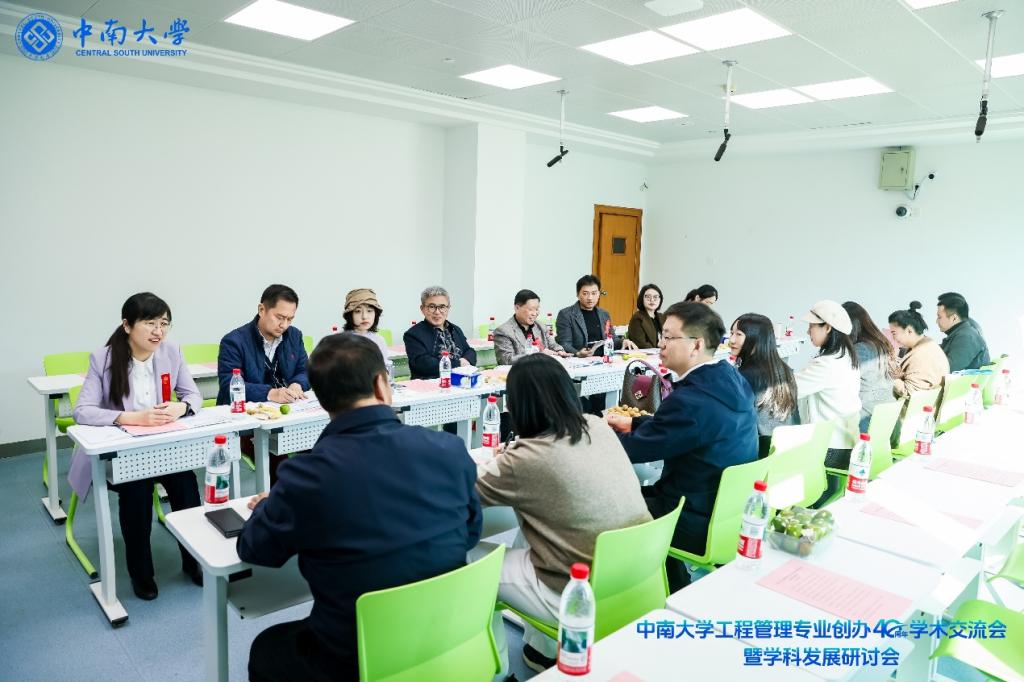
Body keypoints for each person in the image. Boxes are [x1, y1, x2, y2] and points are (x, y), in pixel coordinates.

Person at [239, 334, 481, 682]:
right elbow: (470, 532)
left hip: (356, 658)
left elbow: (255, 549)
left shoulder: (306, 476)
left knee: (267, 647)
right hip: (450, 637)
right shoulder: (448, 449)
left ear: (322, 399)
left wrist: (268, 504)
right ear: (382, 384)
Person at [475, 354, 651, 673]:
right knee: (529, 530)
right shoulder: (596, 425)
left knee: (472, 559)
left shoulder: (525, 458)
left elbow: (465, 493)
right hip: (635, 574)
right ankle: (542, 651)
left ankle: (493, 670)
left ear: (515, 405)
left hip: (578, 593)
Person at [606, 302, 757, 591]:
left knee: (603, 505)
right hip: (726, 512)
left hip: (690, 515)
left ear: (696, 345)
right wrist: (634, 423)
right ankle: (672, 582)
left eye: (668, 337)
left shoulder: (690, 401)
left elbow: (635, 451)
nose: (660, 344)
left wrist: (593, 437)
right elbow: (685, 429)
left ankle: (633, 591)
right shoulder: (730, 378)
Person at [67, 293, 203, 600]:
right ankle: (141, 574)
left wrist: (181, 407)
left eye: (164, 324)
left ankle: (194, 560)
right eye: (150, 323)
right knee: (137, 490)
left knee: (186, 484)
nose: (158, 331)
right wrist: (131, 418)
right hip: (121, 453)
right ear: (127, 326)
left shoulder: (171, 352)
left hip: (162, 448)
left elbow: (193, 395)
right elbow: (82, 411)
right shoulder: (103, 359)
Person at [795, 300, 861, 501]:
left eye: (812, 326)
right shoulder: (846, 357)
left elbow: (790, 390)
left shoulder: (826, 365)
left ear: (828, 327)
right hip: (845, 443)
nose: (808, 331)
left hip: (829, 448)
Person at [217, 284, 309, 405]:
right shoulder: (233, 341)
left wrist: (297, 384)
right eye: (280, 317)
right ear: (261, 310)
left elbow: (305, 370)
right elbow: (228, 384)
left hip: (287, 408)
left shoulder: (294, 336)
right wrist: (270, 393)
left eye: (290, 319)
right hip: (245, 411)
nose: (284, 325)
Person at [728, 313, 799, 458]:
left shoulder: (745, 376)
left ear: (756, 339)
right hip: (786, 451)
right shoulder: (785, 370)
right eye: (731, 333)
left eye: (739, 334)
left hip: (757, 455)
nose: (731, 340)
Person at [843, 301, 897, 433]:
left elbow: (842, 384)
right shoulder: (880, 344)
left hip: (866, 421)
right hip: (888, 419)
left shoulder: (860, 350)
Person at [555, 274, 638, 358]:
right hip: (580, 361)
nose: (590, 298)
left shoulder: (604, 314)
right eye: (585, 293)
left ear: (599, 294)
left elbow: (612, 338)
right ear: (577, 294)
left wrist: (623, 341)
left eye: (594, 293)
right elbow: (564, 343)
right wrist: (578, 353)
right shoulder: (566, 315)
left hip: (604, 359)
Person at [404, 286, 476, 379]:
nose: (437, 312)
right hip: (430, 384)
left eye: (442, 307)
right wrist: (459, 363)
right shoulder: (413, 334)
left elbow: (469, 351)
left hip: (459, 381)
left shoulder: (455, 329)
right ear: (422, 309)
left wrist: (466, 360)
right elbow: (423, 364)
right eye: (432, 307)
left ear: (448, 308)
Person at [888, 301, 950, 398]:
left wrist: (889, 377)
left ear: (909, 331)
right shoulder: (927, 343)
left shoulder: (921, 355)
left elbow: (910, 393)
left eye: (894, 333)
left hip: (921, 405)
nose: (893, 338)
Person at [493, 289, 570, 365]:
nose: (535, 313)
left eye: (537, 309)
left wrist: (559, 351)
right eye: (530, 309)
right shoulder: (503, 331)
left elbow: (553, 345)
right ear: (517, 308)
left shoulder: (540, 326)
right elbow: (506, 360)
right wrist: (538, 355)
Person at [936, 292, 990, 372]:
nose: (936, 321)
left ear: (954, 318)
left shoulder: (966, 336)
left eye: (939, 317)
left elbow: (948, 368)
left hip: (966, 379)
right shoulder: (962, 329)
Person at [341, 288, 389, 360]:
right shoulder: (341, 341)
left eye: (369, 311)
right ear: (350, 315)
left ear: (376, 314)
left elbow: (383, 366)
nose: (364, 316)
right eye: (358, 311)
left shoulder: (379, 341)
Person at [627, 283, 666, 349]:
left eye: (655, 297)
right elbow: (641, 344)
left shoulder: (662, 317)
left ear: (660, 299)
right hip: (647, 354)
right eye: (648, 297)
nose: (652, 300)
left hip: (663, 352)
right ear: (642, 299)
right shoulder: (637, 318)